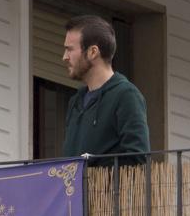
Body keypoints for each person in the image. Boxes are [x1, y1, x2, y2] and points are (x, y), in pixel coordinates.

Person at [60, 15, 150, 160]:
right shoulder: (75, 101)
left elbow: (138, 160)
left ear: (93, 52)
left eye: (69, 49)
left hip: (109, 183)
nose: (64, 57)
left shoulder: (126, 95)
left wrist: (93, 166)